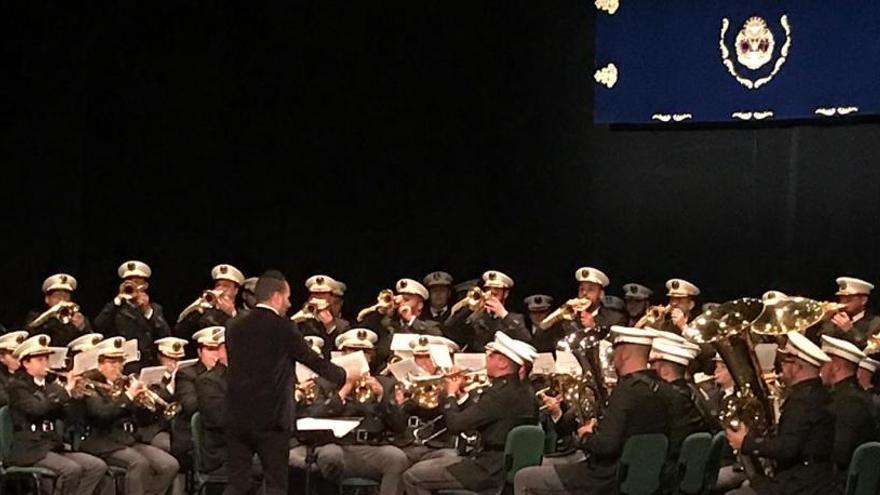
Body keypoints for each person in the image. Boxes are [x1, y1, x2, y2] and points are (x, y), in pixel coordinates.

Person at [224, 270, 349, 495]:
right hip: (271, 420)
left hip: (237, 419)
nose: (290, 303)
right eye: (288, 297)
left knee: (237, 485)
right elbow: (310, 359)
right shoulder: (283, 327)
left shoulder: (233, 325)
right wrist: (342, 375)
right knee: (276, 485)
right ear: (277, 296)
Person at [513, 326, 669, 495]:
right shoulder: (659, 388)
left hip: (605, 478)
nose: (613, 358)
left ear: (624, 354)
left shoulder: (627, 390)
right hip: (636, 475)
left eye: (614, 353)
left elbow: (607, 446)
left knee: (525, 477)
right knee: (546, 465)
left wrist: (585, 436)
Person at [403, 331, 538, 495]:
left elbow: (455, 425)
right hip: (502, 464)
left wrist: (450, 394)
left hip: (488, 470)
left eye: (491, 356)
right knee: (428, 464)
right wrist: (461, 395)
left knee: (413, 476)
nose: (487, 359)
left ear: (502, 363)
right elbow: (481, 418)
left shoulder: (499, 394)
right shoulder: (525, 391)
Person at [725, 332, 836, 495]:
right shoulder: (816, 393)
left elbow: (788, 448)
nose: (781, 367)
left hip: (802, 483)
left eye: (785, 362)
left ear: (797, 367)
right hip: (811, 476)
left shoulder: (803, 400)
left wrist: (746, 443)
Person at [6, 335, 107, 495]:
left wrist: (74, 398)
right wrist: (65, 391)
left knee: (96, 466)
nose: (45, 363)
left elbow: (65, 416)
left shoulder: (50, 387)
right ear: (26, 363)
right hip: (30, 448)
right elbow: (37, 409)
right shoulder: (18, 387)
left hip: (51, 445)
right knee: (71, 470)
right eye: (39, 360)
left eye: (46, 359)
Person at [80, 337, 179, 495]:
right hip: (103, 442)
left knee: (169, 465)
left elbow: (143, 419)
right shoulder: (90, 385)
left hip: (129, 439)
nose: (118, 368)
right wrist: (129, 397)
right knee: (139, 464)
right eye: (112, 363)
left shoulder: (125, 384)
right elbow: (102, 414)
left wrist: (144, 401)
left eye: (120, 362)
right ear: (100, 365)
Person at [819, 335, 878, 490]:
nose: (820, 369)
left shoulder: (849, 402)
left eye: (823, 363)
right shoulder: (849, 396)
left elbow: (841, 454)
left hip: (838, 484)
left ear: (836, 366)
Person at [94, 260, 171, 373]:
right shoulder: (115, 308)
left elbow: (165, 336)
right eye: (130, 282)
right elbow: (98, 326)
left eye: (137, 282)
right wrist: (117, 301)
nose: (134, 286)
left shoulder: (155, 309)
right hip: (121, 363)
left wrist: (147, 310)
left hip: (147, 363)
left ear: (145, 286)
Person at [444, 270, 530, 351]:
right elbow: (449, 330)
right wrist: (469, 308)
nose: (490, 295)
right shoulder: (475, 318)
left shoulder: (515, 318)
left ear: (506, 294)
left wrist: (503, 314)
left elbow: (526, 339)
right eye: (488, 290)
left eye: (496, 292)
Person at [174, 264, 245, 357]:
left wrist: (231, 314)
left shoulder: (244, 315)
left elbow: (248, 338)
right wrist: (198, 310)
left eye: (226, 286)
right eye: (218, 285)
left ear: (235, 291)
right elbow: (179, 333)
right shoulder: (203, 312)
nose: (221, 289)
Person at [810, 277, 880, 348]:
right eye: (841, 299)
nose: (843, 303)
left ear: (863, 300)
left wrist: (849, 330)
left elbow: (870, 351)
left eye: (848, 300)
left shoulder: (876, 323)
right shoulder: (833, 317)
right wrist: (820, 320)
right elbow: (813, 342)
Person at [25, 273, 92, 346]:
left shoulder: (76, 317)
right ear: (47, 299)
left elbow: (91, 341)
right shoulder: (36, 315)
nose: (62, 299)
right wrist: (50, 314)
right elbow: (29, 332)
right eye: (57, 296)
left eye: (65, 296)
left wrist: (82, 328)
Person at [0, 330, 29, 407]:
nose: (19, 359)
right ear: (1, 358)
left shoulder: (29, 370)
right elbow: (4, 399)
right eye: (14, 355)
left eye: (20, 354)